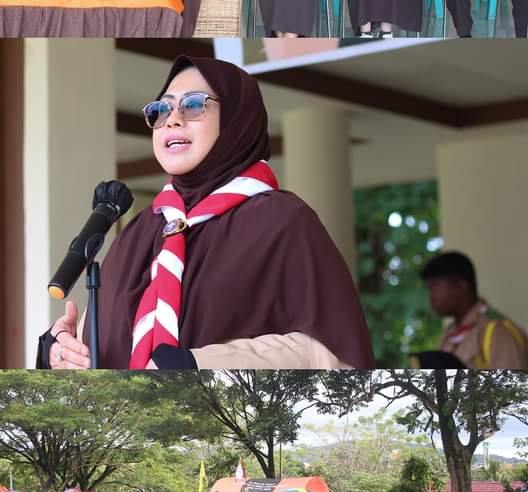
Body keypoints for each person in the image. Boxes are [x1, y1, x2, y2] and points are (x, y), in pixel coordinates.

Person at [37, 56, 375, 370]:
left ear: (236, 120)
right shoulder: (141, 229)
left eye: (194, 105)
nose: (173, 119)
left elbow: (333, 352)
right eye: (162, 109)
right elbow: (105, 348)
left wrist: (198, 366)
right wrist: (61, 352)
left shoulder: (282, 221)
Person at [421, 251, 528, 369]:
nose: (430, 296)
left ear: (461, 285)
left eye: (434, 287)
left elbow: (511, 387)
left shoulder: (497, 330)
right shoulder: (448, 335)